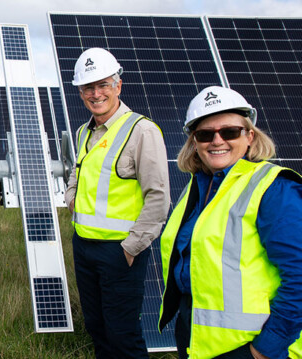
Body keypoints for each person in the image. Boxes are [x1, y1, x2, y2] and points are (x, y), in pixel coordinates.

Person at [158, 86, 302, 359]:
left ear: (249, 136)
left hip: (251, 345)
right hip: (198, 335)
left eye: (230, 131)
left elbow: (300, 276)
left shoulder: (273, 188)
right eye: (204, 134)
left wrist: (265, 348)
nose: (217, 140)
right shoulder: (198, 187)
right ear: (194, 142)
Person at [65, 47, 170, 358]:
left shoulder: (142, 131)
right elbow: (79, 171)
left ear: (118, 86)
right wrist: (71, 197)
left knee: (123, 336)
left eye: (103, 85)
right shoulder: (85, 130)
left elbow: (159, 196)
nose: (96, 94)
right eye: (88, 87)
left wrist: (131, 247)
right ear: (81, 92)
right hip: (84, 246)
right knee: (97, 328)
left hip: (120, 251)